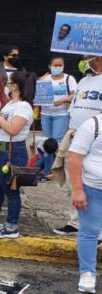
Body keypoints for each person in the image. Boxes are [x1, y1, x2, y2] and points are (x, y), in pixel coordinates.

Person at [53, 55, 102, 236]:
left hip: (96, 139)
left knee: (96, 183)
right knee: (73, 182)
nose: (83, 60)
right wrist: (67, 133)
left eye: (86, 57)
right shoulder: (83, 81)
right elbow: (74, 108)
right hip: (75, 136)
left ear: (98, 57)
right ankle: (75, 221)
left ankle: (97, 228)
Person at [0, 71, 36, 239]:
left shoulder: (23, 107)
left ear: (15, 86)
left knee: (11, 190)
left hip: (12, 151)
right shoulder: (10, 104)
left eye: (9, 83)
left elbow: (13, 129)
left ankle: (11, 226)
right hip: (0, 150)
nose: (6, 85)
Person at [67, 112, 102, 293]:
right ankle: (87, 273)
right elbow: (74, 157)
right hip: (93, 188)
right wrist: (78, 190)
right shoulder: (92, 125)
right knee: (90, 231)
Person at [37, 56, 76, 176]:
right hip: (45, 114)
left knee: (55, 142)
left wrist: (63, 100)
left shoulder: (69, 79)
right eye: (55, 65)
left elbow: (74, 95)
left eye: (60, 65)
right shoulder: (45, 79)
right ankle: (48, 169)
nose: (58, 67)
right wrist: (39, 82)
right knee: (46, 143)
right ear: (49, 66)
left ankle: (48, 170)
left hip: (61, 114)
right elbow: (38, 95)